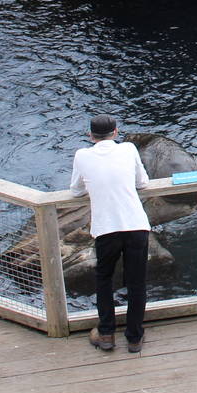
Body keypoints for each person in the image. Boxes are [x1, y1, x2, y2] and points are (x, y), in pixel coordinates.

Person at [69, 115, 151, 354]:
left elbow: (75, 191)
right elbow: (142, 182)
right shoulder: (128, 149)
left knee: (104, 279)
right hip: (135, 224)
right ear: (115, 133)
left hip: (106, 229)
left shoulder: (82, 156)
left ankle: (106, 333)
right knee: (137, 282)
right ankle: (134, 337)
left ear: (91, 136)